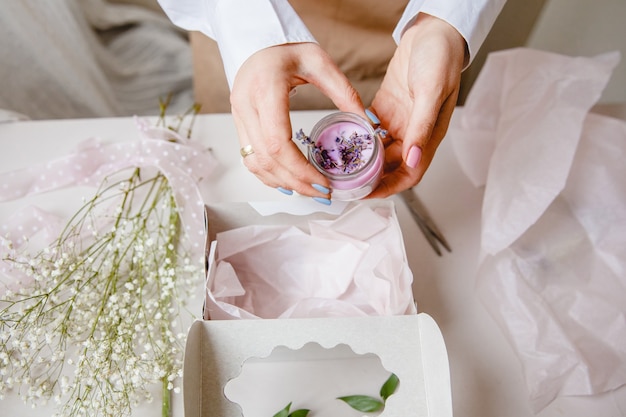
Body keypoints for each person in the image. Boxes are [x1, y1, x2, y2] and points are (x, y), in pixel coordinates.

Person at [157, 0, 506, 205]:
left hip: (399, 37)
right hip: (241, 31)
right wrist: (251, 30)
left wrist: (444, 19)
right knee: (247, 161)